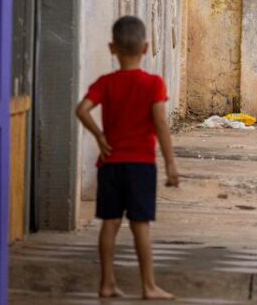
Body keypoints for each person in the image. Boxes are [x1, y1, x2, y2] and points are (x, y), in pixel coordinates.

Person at [75, 16, 179, 301]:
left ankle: (107, 283)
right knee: (140, 226)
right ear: (145, 48)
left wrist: (98, 135)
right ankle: (148, 286)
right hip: (140, 165)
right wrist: (170, 162)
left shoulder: (106, 83)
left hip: (110, 165)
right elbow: (160, 122)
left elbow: (82, 109)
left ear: (112, 48)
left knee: (109, 223)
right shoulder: (153, 84)